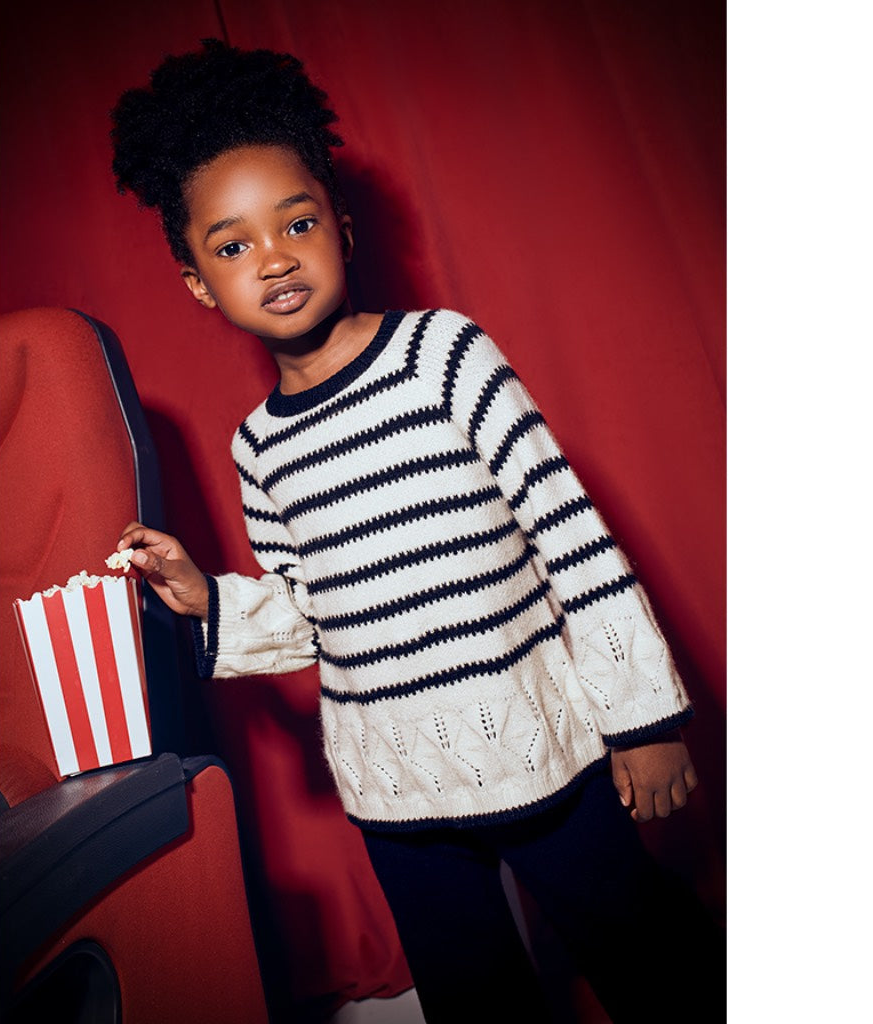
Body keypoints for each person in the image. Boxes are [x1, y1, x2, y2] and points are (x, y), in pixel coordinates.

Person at [109, 39, 724, 1023]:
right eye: (231, 246)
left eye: (297, 222)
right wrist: (207, 595)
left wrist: (643, 722)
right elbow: (318, 614)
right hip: (392, 785)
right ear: (196, 283)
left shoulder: (444, 354)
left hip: (540, 749)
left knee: (647, 955)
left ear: (342, 228)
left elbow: (571, 537)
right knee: (473, 996)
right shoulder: (257, 445)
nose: (273, 257)